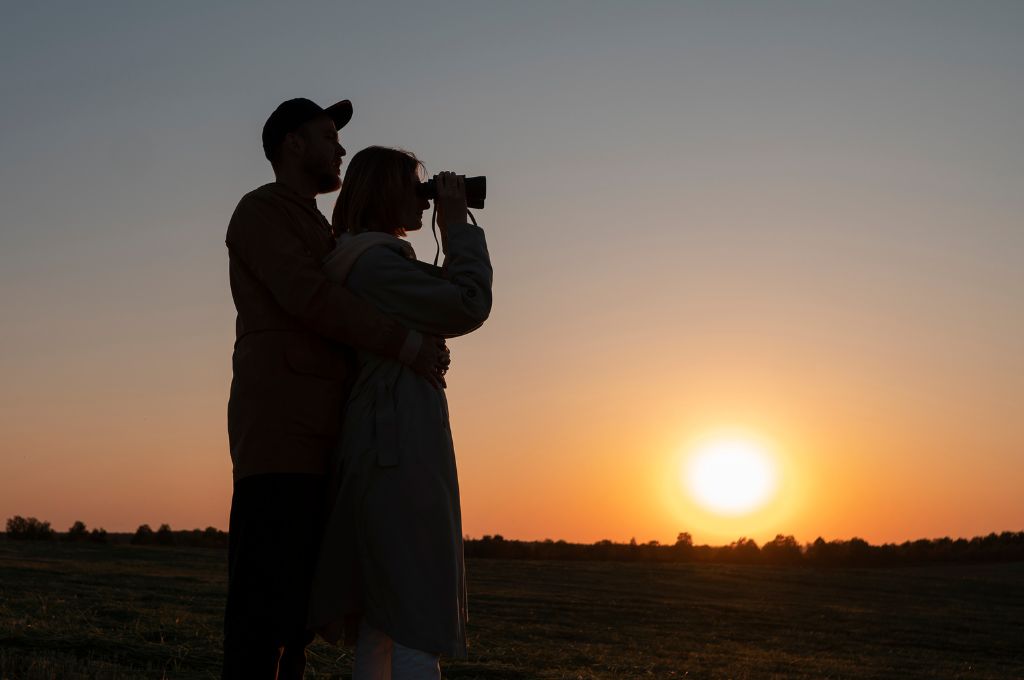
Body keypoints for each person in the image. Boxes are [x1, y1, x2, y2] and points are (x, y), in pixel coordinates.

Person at [222, 101, 450, 680]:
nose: (341, 150)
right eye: (329, 137)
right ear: (293, 145)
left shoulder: (327, 231)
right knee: (262, 617)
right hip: (281, 439)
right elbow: (308, 297)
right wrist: (405, 343)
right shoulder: (261, 212)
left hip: (330, 442)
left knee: (295, 624)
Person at [308, 147, 493, 679]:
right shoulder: (373, 263)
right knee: (416, 617)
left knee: (385, 620)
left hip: (385, 441)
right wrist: (457, 227)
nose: (423, 194)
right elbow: (468, 302)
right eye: (414, 184)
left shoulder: (364, 259)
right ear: (385, 192)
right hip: (396, 449)